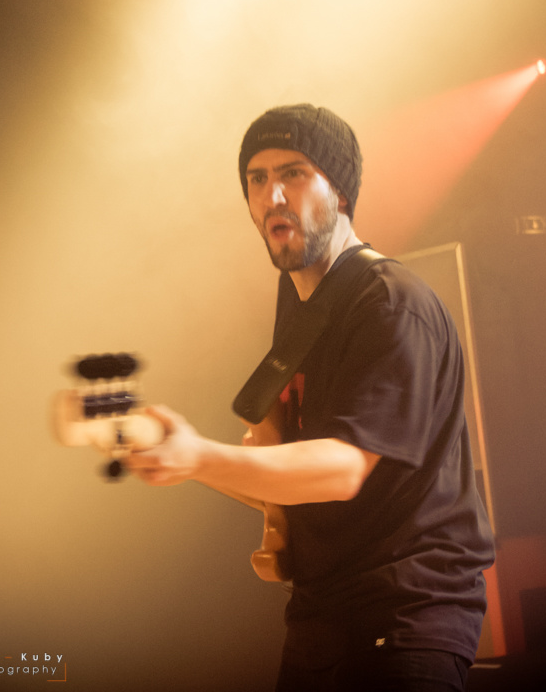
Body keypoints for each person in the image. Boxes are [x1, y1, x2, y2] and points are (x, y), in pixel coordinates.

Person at [127, 103, 495, 692]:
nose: (271, 196)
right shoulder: (299, 308)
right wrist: (183, 459)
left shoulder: (388, 303)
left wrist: (199, 456)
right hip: (321, 619)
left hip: (404, 617)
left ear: (341, 192)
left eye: (293, 173)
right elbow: (293, 479)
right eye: (257, 178)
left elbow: (343, 469)